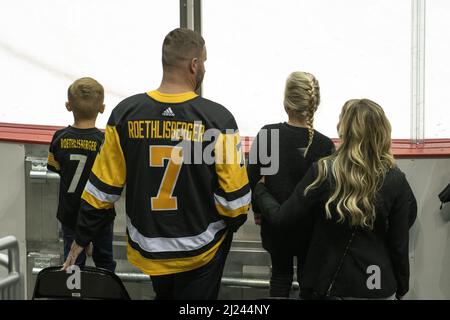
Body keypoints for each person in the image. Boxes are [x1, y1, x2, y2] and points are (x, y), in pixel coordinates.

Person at [62, 28, 250, 300]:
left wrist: (81, 238)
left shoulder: (124, 114)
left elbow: (102, 191)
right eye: (204, 62)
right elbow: (235, 206)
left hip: (148, 245)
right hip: (201, 249)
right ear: (194, 65)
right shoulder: (218, 119)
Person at [253, 99, 417, 300]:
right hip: (379, 285)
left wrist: (260, 190)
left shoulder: (323, 171)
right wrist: (401, 288)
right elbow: (400, 242)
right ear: (383, 131)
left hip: (329, 284)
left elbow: (282, 218)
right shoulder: (395, 178)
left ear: (344, 130)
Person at [247, 71, 334, 297]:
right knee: (309, 280)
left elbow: (253, 179)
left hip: (276, 225)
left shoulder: (268, 134)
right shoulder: (324, 145)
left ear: (286, 103)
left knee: (280, 275)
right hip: (310, 228)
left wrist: (259, 210)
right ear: (314, 105)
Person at [47, 77, 116, 272]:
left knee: (72, 264)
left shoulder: (59, 138)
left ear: (68, 106)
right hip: (100, 215)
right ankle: (106, 293)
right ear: (102, 108)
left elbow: (56, 168)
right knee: (105, 263)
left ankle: (74, 293)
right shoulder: (104, 142)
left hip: (71, 215)